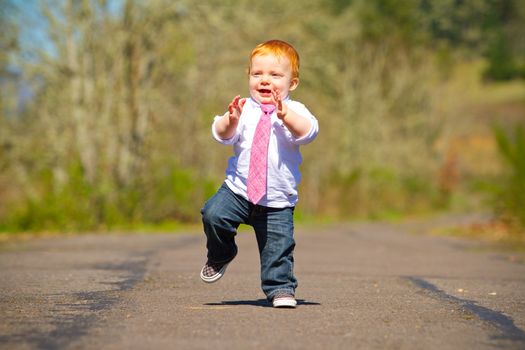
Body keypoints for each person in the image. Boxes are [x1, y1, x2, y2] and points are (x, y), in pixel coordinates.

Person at [199, 39, 319, 308]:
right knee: (213, 214)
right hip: (238, 190)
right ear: (249, 77)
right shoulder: (243, 108)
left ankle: (280, 288)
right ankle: (221, 253)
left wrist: (285, 115)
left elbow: (308, 132)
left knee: (278, 248)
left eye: (275, 75)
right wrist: (230, 120)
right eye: (257, 74)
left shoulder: (295, 110)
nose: (265, 80)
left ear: (293, 83)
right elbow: (219, 134)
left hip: (277, 199)